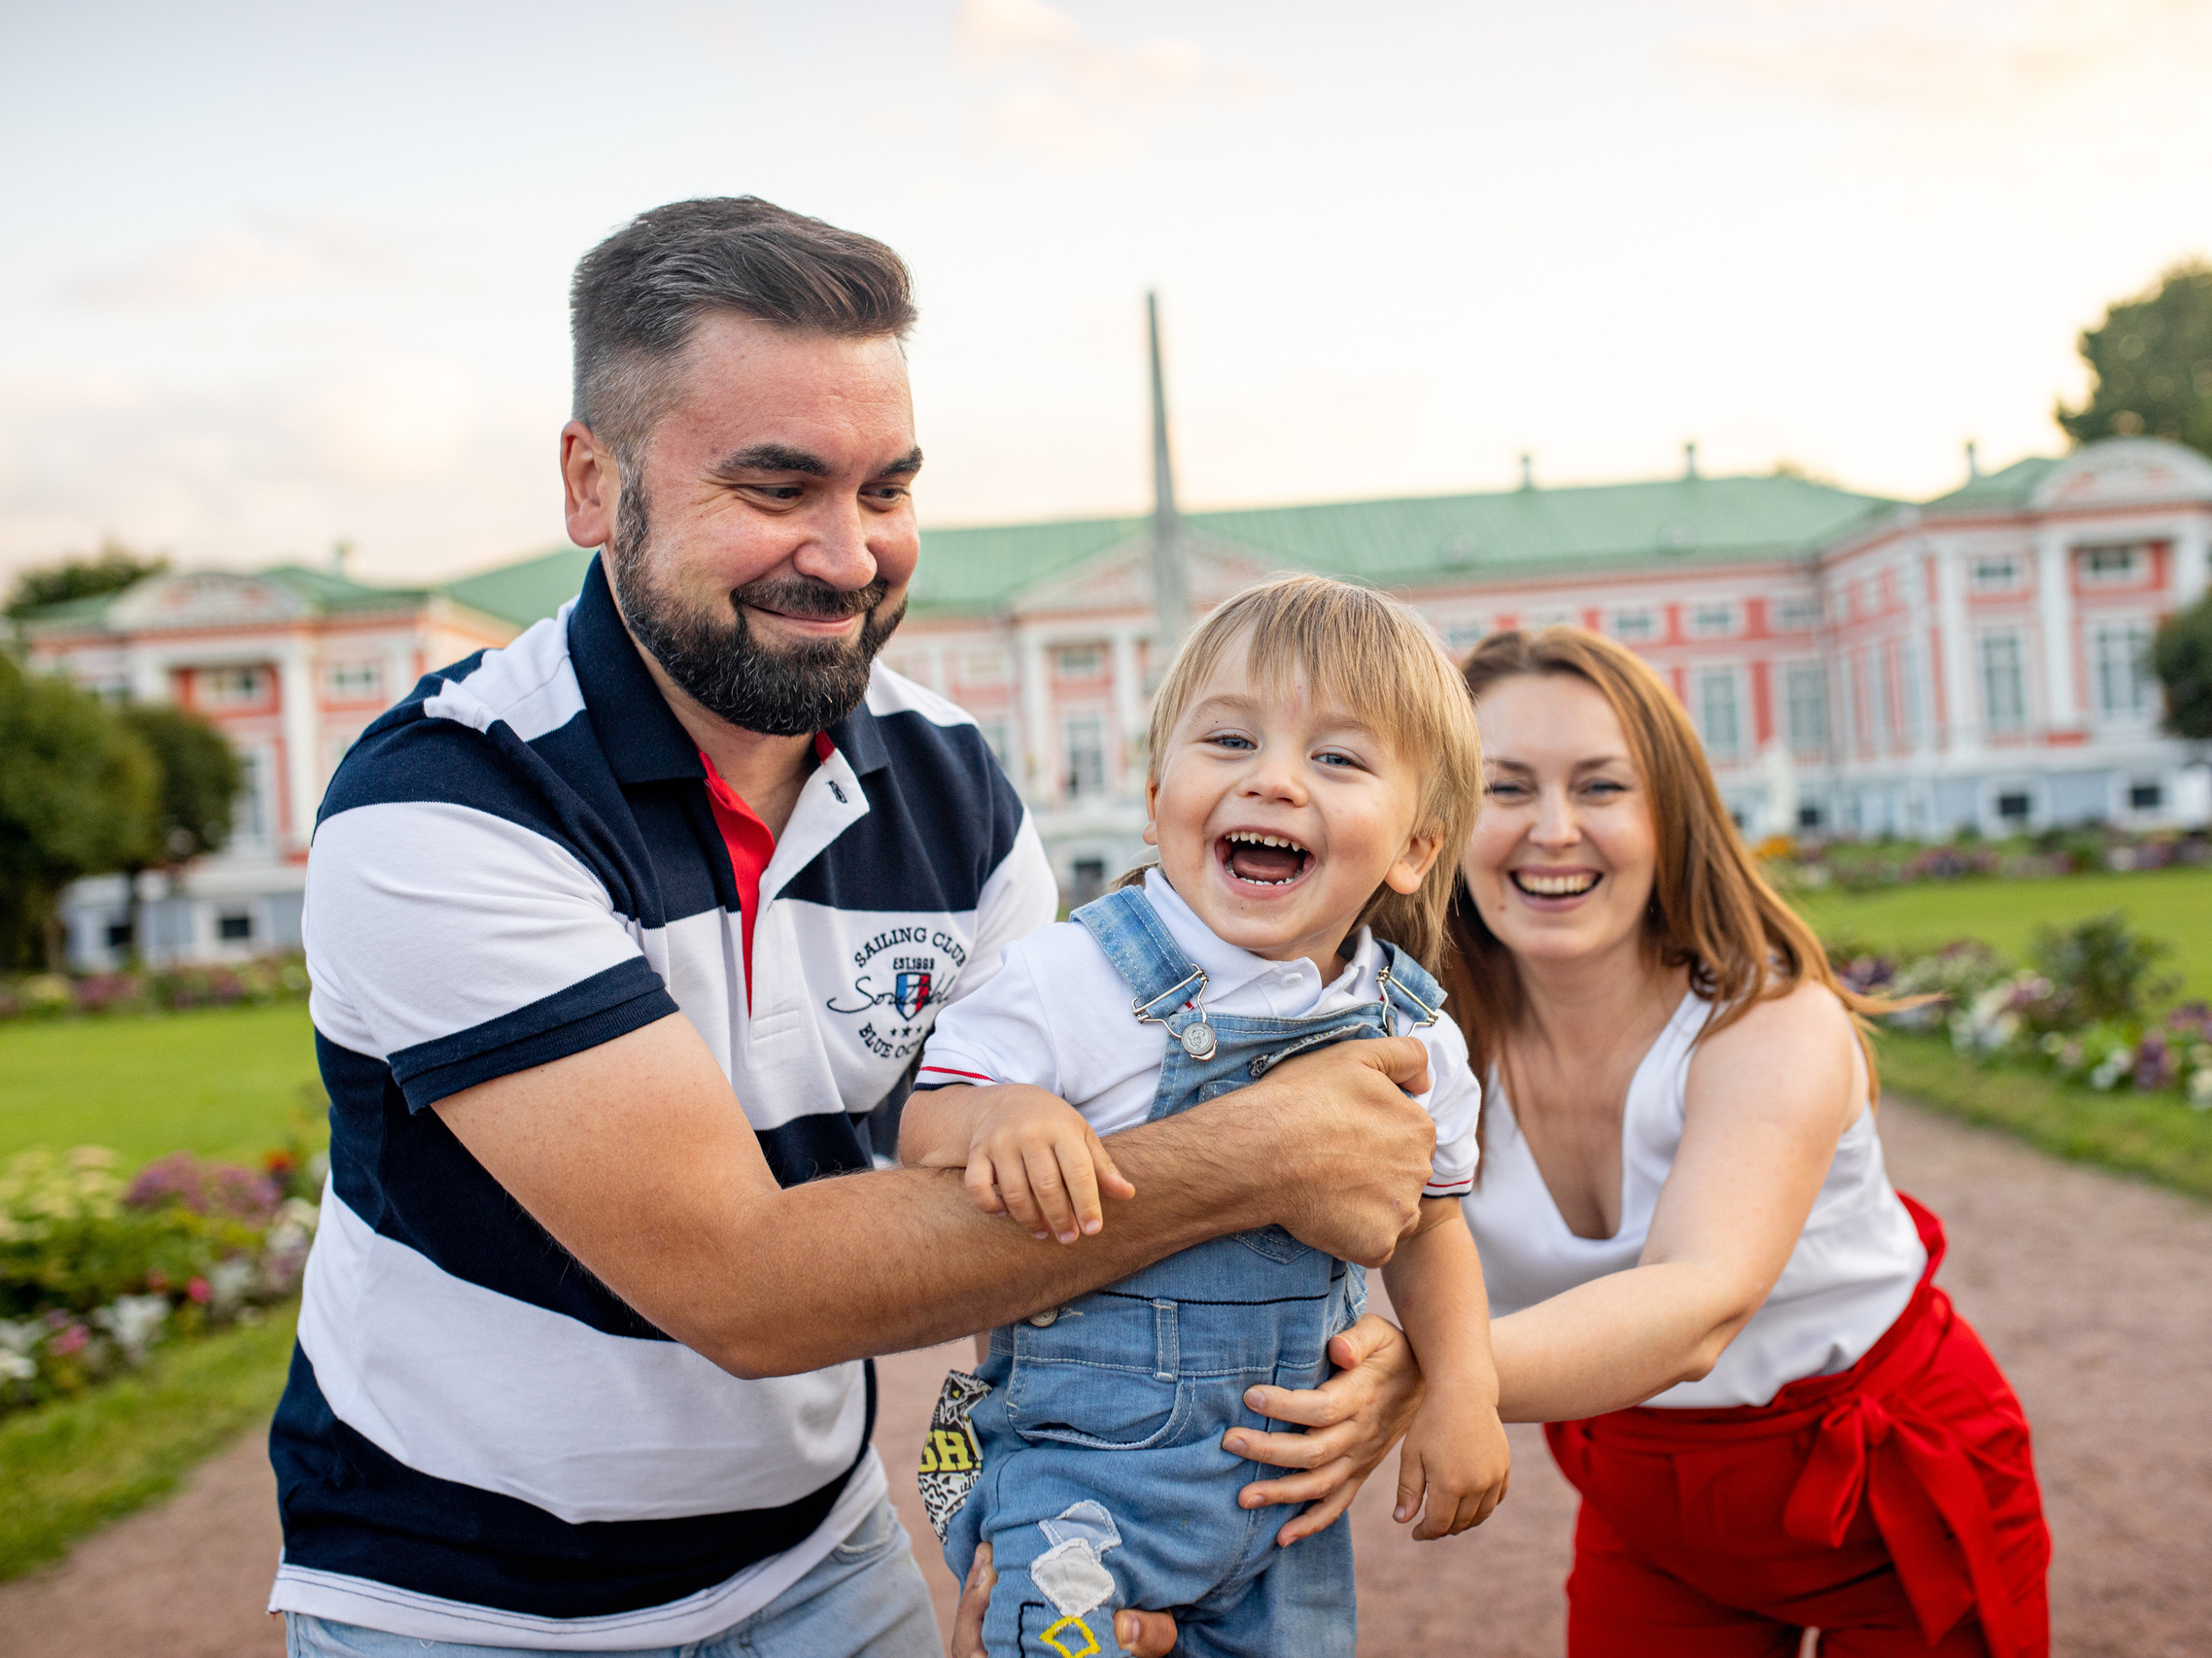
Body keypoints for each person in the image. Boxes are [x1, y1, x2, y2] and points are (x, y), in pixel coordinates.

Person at [269, 197, 1436, 1658]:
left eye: (886, 489)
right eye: (777, 487)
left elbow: (1024, 1204)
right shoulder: (449, 801)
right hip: (460, 1603)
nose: (847, 553)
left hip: (821, 1561)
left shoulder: (953, 785)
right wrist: (1273, 1150)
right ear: (592, 479)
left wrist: (1360, 1357)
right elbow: (744, 1285)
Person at [903, 575, 1508, 1657]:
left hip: (1281, 1513)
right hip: (1079, 1494)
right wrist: (1005, 1115)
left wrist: (1461, 1388)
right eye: (1228, 739)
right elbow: (926, 1130)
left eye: (1336, 757)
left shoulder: (1415, 1035)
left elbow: (1434, 1228)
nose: (1272, 779)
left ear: (1417, 846)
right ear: (1154, 793)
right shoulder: (1076, 974)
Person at [1442, 628, 2052, 1657]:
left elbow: (1697, 1300)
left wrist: (1426, 1374)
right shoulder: (1421, 1040)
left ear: (1668, 815)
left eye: (1600, 787)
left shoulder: (1772, 1020)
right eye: (1504, 788)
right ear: (1438, 819)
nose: (1552, 829)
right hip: (1650, 1505)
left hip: (1893, 1491)